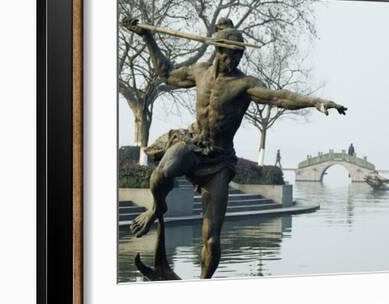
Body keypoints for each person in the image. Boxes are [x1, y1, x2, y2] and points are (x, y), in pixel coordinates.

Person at [122, 17, 347, 280]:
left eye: (240, 56)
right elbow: (166, 74)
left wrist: (314, 101)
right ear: (219, 50)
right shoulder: (200, 72)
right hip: (194, 144)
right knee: (162, 172)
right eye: (232, 55)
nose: (237, 61)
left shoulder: (244, 84)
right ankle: (158, 207)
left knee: (212, 240)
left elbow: (279, 96)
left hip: (219, 161)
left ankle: (203, 290)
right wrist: (147, 38)